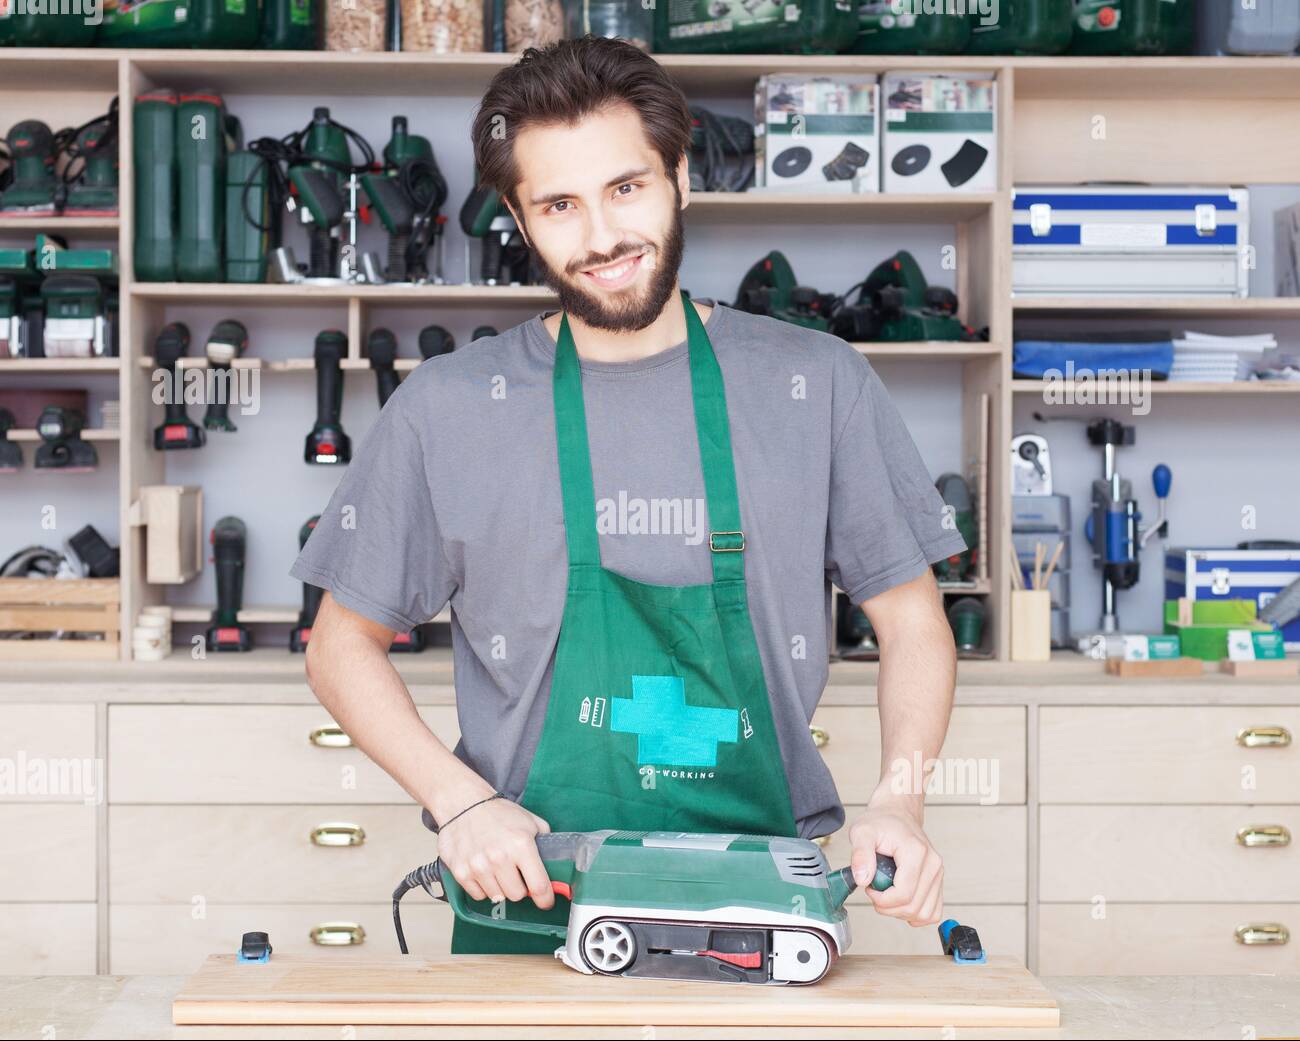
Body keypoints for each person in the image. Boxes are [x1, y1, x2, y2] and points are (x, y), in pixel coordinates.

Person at [291, 36, 967, 955]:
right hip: (524, 895)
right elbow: (339, 644)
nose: (602, 237)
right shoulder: (446, 410)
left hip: (761, 910)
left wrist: (902, 798)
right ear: (519, 223)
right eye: (559, 205)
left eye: (626, 188)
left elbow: (913, 619)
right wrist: (460, 802)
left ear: (679, 175)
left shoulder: (819, 385)